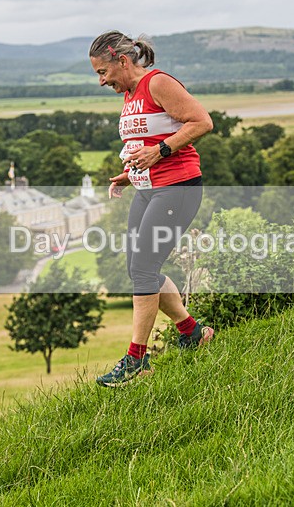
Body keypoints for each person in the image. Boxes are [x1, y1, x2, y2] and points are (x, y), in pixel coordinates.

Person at [89, 30, 215, 388]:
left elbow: (202, 122)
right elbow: (143, 144)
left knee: (144, 267)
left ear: (122, 61)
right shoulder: (129, 95)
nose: (101, 81)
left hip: (178, 188)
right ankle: (191, 333)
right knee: (139, 268)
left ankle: (137, 359)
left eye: (103, 72)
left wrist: (160, 151)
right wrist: (130, 174)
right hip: (148, 189)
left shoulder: (158, 83)